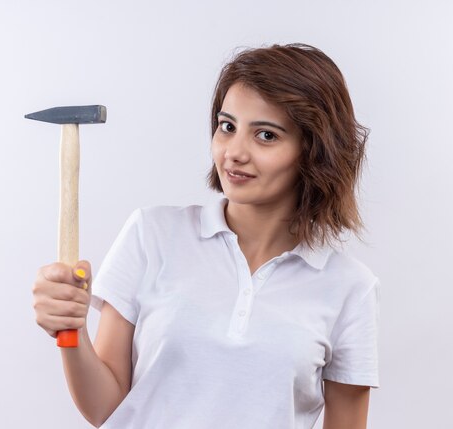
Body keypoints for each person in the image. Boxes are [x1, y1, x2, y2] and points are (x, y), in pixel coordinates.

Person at [32, 43, 381, 429]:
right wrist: (73, 328)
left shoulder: (349, 288)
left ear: (315, 150)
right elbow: (105, 407)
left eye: (265, 135)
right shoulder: (152, 234)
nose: (234, 152)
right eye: (227, 126)